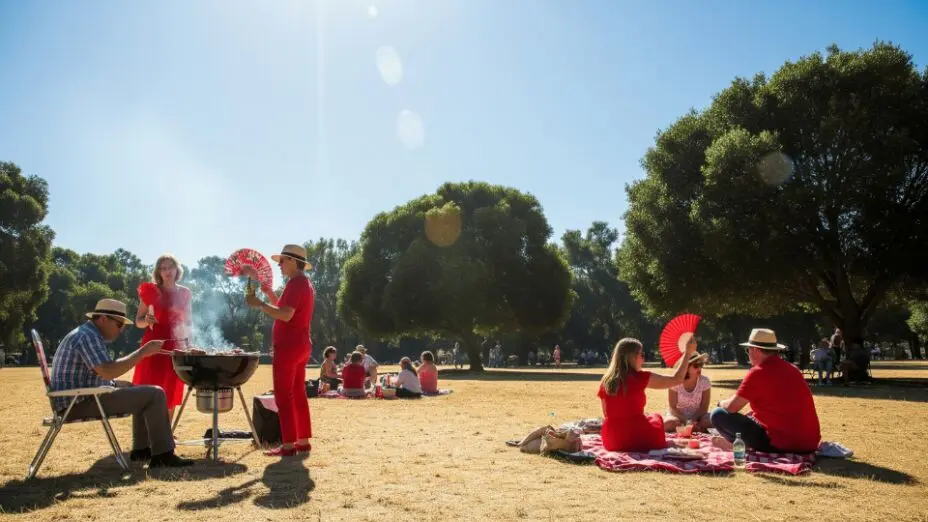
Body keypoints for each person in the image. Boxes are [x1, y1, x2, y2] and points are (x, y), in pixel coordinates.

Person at [50, 299, 193, 467]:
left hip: (79, 398)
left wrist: (117, 384)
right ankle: (163, 456)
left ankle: (142, 451)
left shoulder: (87, 333)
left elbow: (97, 374)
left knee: (142, 392)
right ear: (103, 319)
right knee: (156, 394)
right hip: (79, 402)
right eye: (119, 325)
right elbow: (107, 369)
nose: (121, 330)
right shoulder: (87, 336)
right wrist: (143, 352)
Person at [246, 244, 315, 457]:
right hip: (301, 344)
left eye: (282, 261)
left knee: (283, 396)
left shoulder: (296, 284)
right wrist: (268, 295)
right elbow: (286, 309)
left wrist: (259, 304)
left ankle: (287, 445)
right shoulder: (303, 283)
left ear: (294, 261)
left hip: (288, 346)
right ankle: (302, 441)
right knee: (298, 394)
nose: (279, 265)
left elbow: (285, 315)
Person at [710, 328, 821, 453]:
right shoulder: (793, 369)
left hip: (781, 444)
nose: (748, 354)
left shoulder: (758, 372)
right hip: (808, 444)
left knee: (718, 414)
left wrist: (721, 403)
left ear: (756, 350)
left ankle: (738, 445)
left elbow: (731, 407)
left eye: (748, 350)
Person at [597, 336, 697, 452]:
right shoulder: (640, 378)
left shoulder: (606, 381)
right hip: (637, 436)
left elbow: (606, 413)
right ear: (633, 357)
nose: (643, 359)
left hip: (612, 440)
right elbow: (677, 379)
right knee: (656, 418)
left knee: (650, 418)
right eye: (641, 354)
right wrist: (688, 353)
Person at [132, 254, 191, 423]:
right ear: (158, 271)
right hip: (153, 343)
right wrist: (146, 321)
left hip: (175, 344)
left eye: (170, 267)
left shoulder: (185, 293)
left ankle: (166, 432)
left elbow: (188, 322)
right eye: (163, 268)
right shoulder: (151, 290)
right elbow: (138, 321)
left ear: (176, 269)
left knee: (171, 388)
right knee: (150, 384)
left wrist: (189, 344)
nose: (167, 271)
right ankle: (146, 431)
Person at [664, 352, 712, 433]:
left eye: (701, 365)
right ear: (686, 367)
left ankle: (687, 430)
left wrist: (693, 420)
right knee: (669, 423)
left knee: (712, 419)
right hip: (678, 416)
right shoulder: (675, 381)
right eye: (696, 366)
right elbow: (673, 407)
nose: (699, 368)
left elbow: (704, 407)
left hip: (699, 417)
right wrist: (686, 420)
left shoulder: (705, 381)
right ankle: (695, 429)